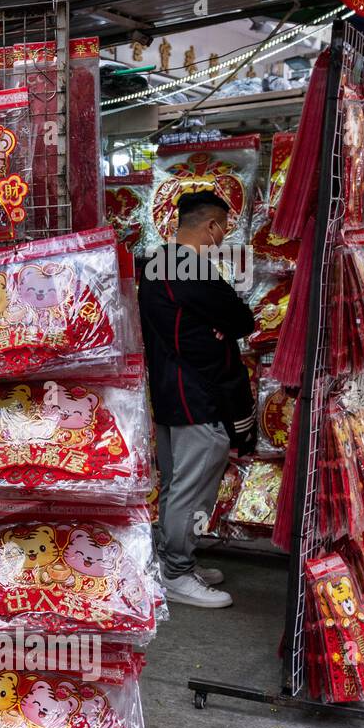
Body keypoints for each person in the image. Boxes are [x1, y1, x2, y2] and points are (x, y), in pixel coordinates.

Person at [138, 189, 257, 609]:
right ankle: (177, 572)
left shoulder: (156, 263)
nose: (224, 236)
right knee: (191, 490)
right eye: (223, 228)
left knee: (175, 487)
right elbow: (242, 319)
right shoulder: (190, 267)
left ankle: (174, 562)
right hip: (198, 395)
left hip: (172, 393)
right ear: (210, 226)